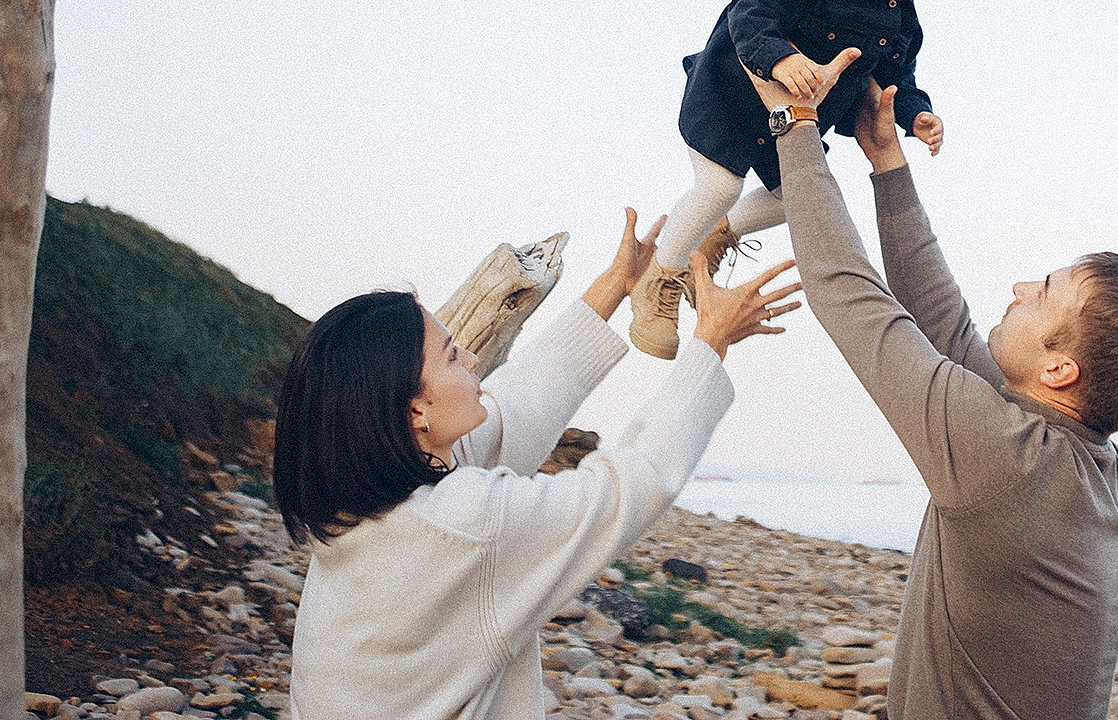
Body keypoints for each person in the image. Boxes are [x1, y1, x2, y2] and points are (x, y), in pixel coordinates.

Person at [749, 53, 1118, 720]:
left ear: (1059, 369)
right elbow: (946, 329)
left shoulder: (1007, 459)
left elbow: (847, 290)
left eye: (1043, 293)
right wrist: (887, 162)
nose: (1019, 288)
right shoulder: (1097, 467)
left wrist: (795, 121)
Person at [273, 210, 802, 720]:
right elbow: (622, 492)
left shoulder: (358, 499)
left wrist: (617, 283)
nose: (475, 359)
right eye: (454, 355)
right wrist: (710, 343)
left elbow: (519, 403)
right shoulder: (459, 523)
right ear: (416, 410)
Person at [629, 0, 964, 359]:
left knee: (807, 197)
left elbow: (900, 75)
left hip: (790, 125)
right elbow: (752, 11)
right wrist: (779, 59)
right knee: (719, 184)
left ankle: (716, 237)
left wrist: (916, 114)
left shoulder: (902, 21)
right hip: (732, 100)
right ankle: (659, 276)